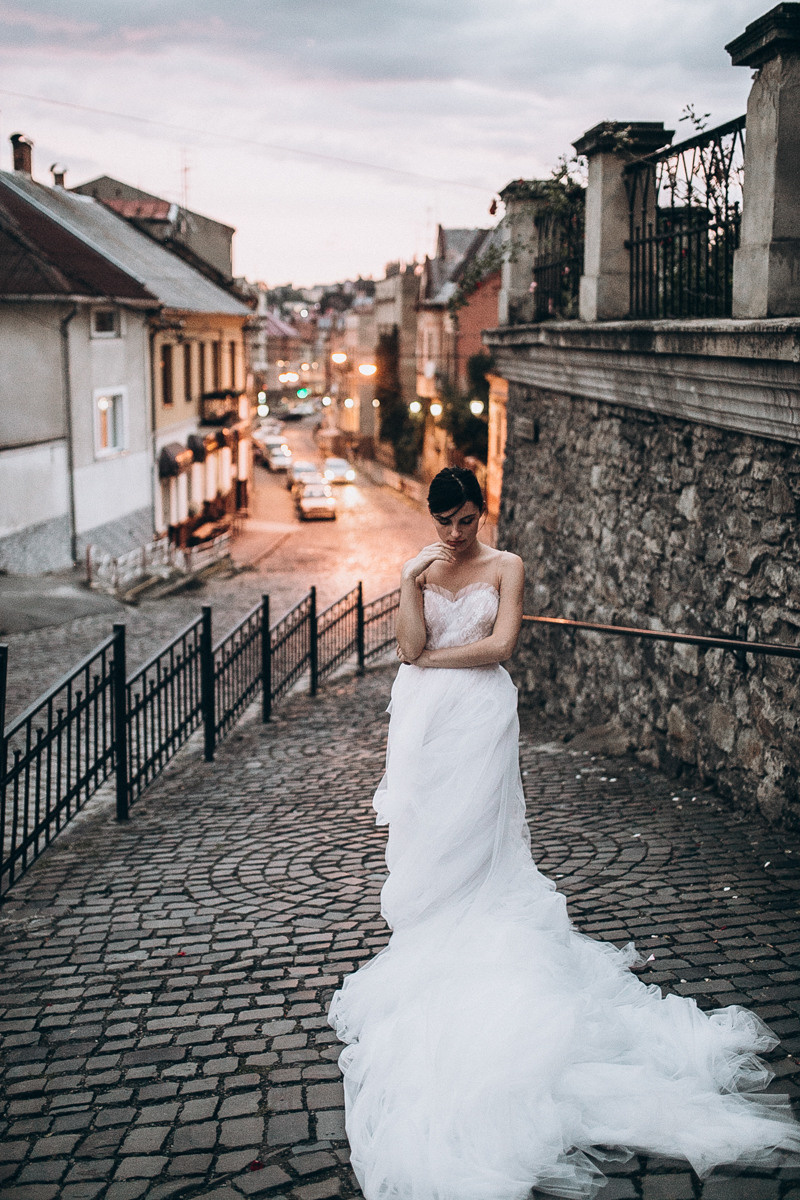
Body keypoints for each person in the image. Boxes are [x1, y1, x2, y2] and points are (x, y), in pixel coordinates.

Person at [328, 466, 800, 1200]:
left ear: (482, 512)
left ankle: (483, 940)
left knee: (482, 838)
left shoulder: (506, 565)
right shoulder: (420, 567)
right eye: (445, 522)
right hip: (424, 725)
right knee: (429, 842)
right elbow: (405, 649)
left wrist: (439, 666)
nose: (456, 535)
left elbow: (500, 647)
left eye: (467, 520)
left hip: (481, 715)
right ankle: (436, 942)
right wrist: (406, 582)